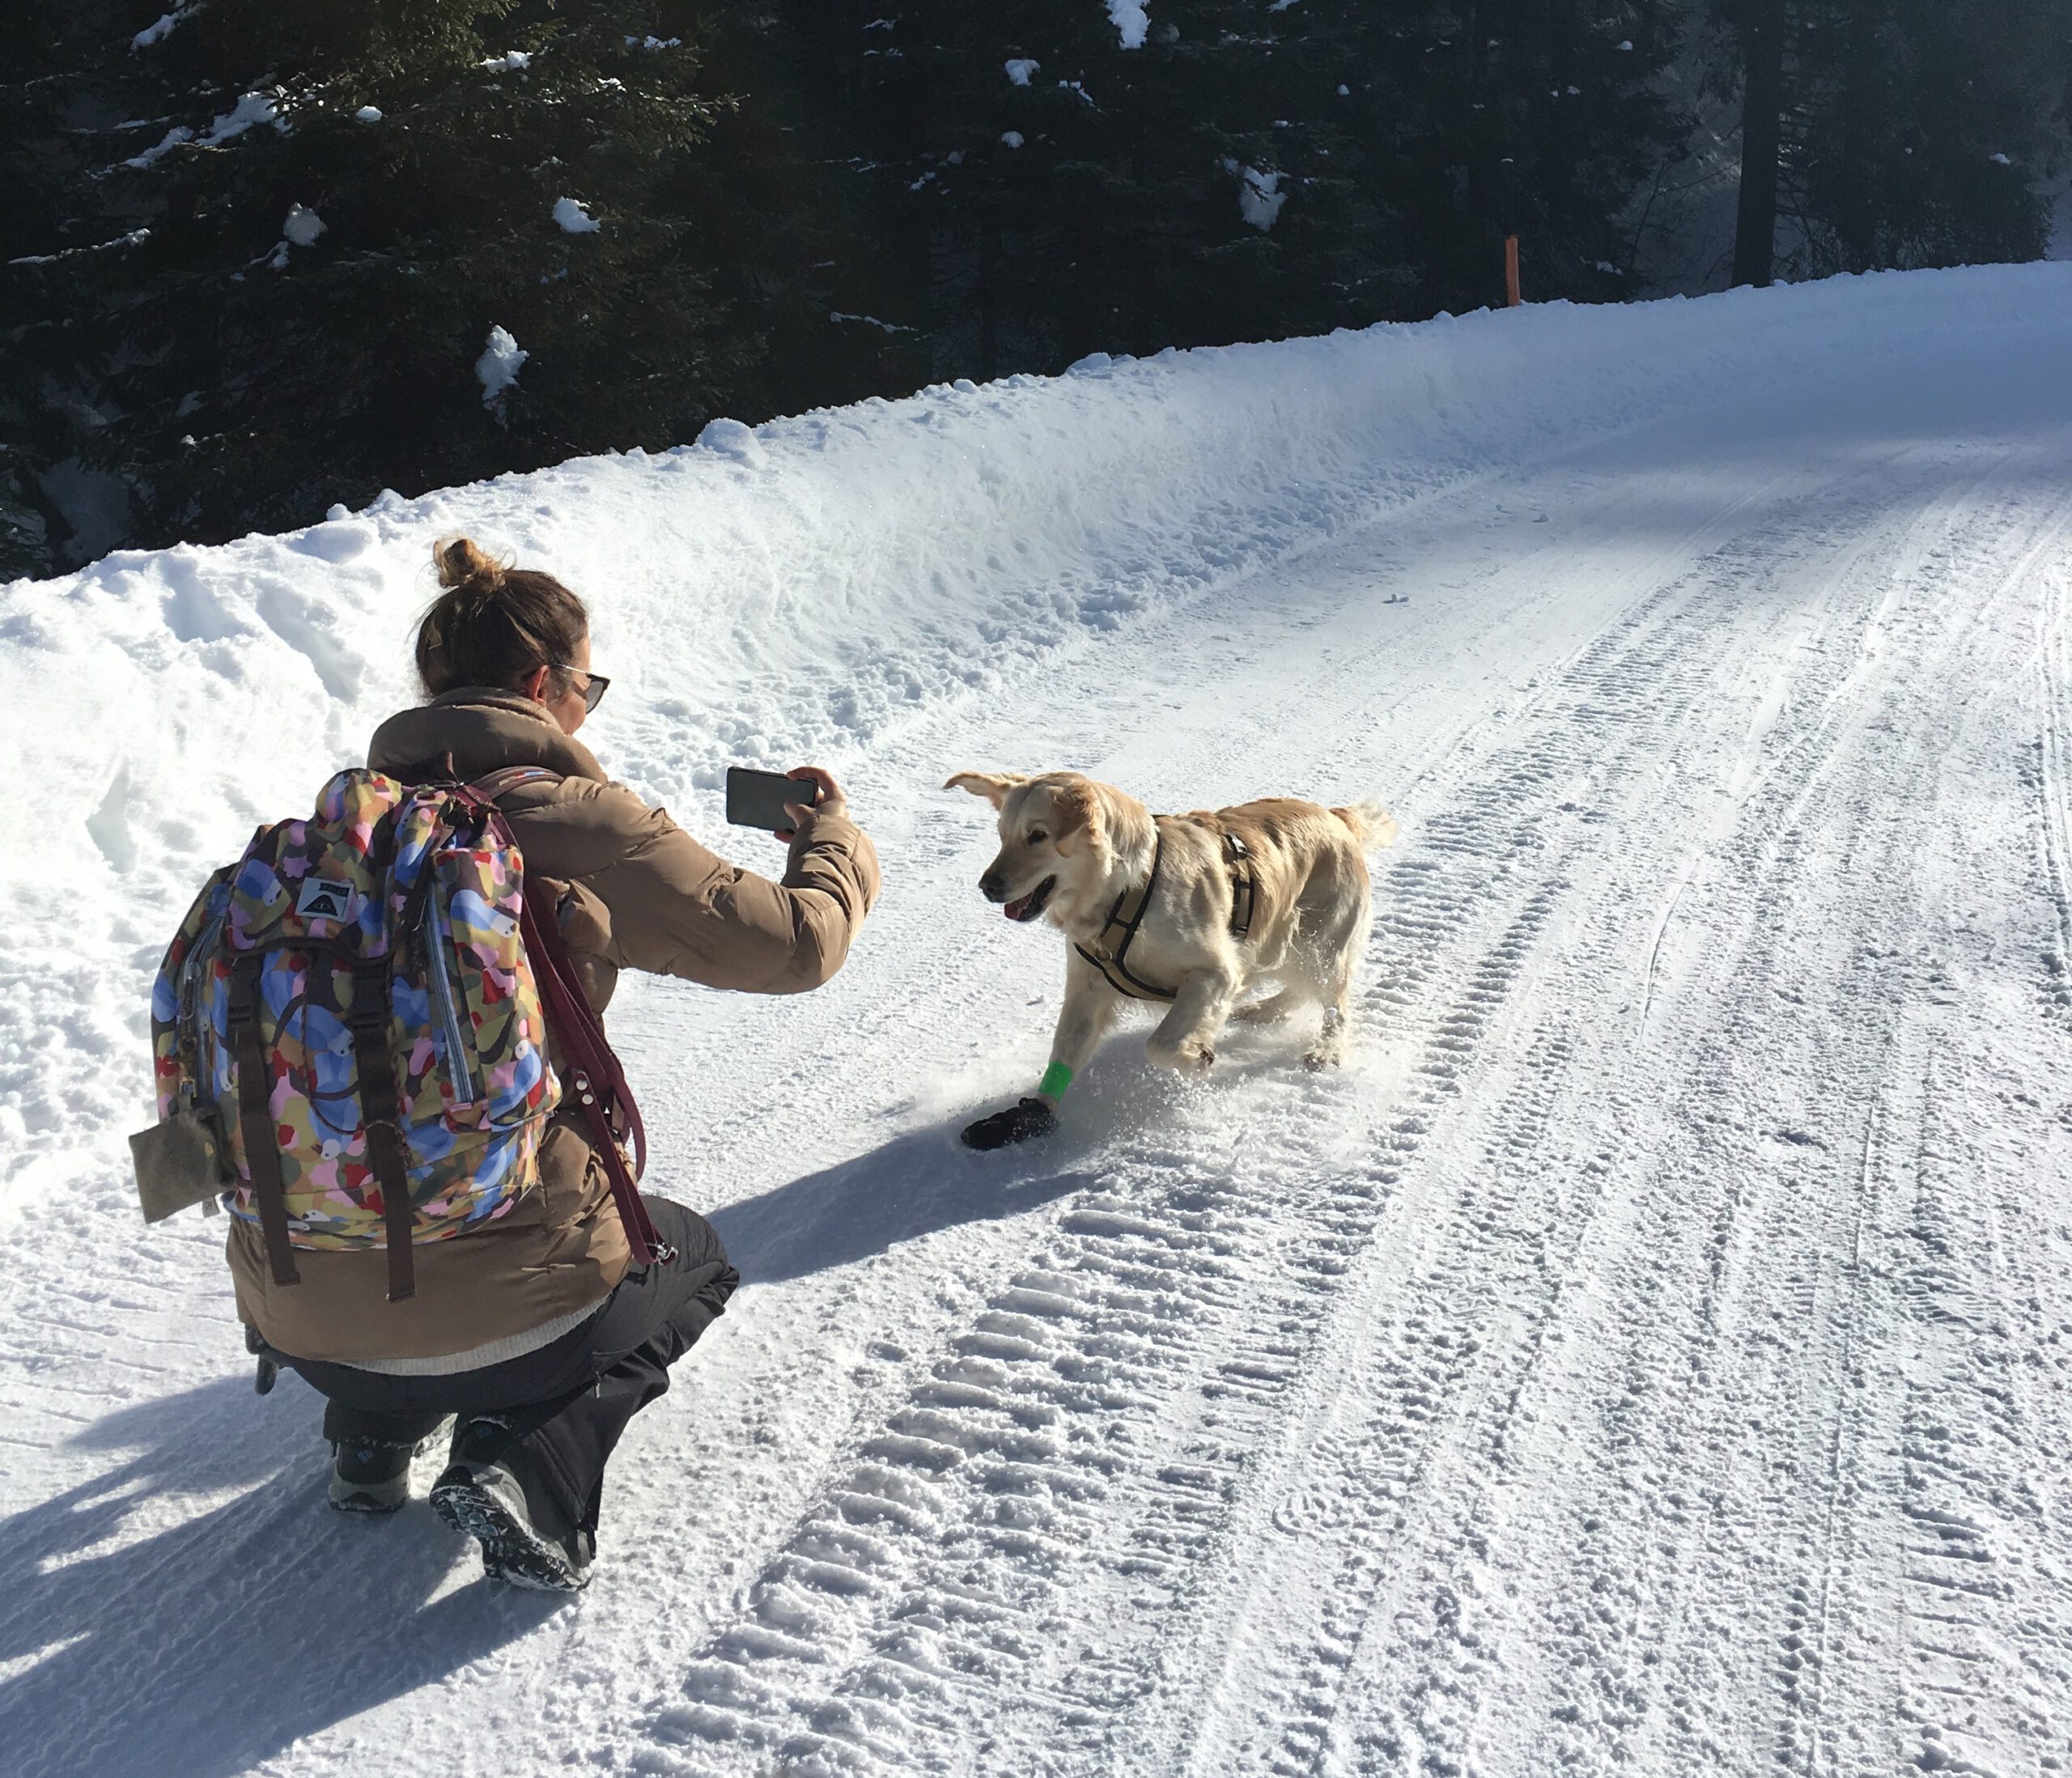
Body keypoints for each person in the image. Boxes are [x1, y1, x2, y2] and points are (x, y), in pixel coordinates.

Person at [227, 537, 880, 1590]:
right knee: (696, 1255)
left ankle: (369, 1427)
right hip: (501, 1308)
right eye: (589, 687)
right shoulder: (580, 824)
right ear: (545, 688)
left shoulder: (322, 840)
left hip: (295, 1308)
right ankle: (528, 1465)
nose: (589, 708)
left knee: (394, 1178)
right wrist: (833, 837)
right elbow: (799, 945)